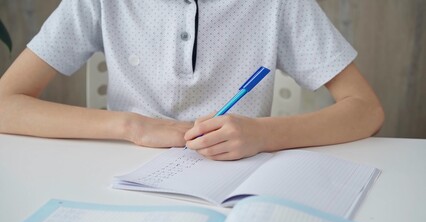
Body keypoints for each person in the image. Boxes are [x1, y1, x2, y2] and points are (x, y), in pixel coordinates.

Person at [0, 0, 384, 160]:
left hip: (237, 183)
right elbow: (6, 103)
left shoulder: (280, 4)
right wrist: (132, 126)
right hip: (125, 179)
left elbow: (366, 110)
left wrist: (264, 134)